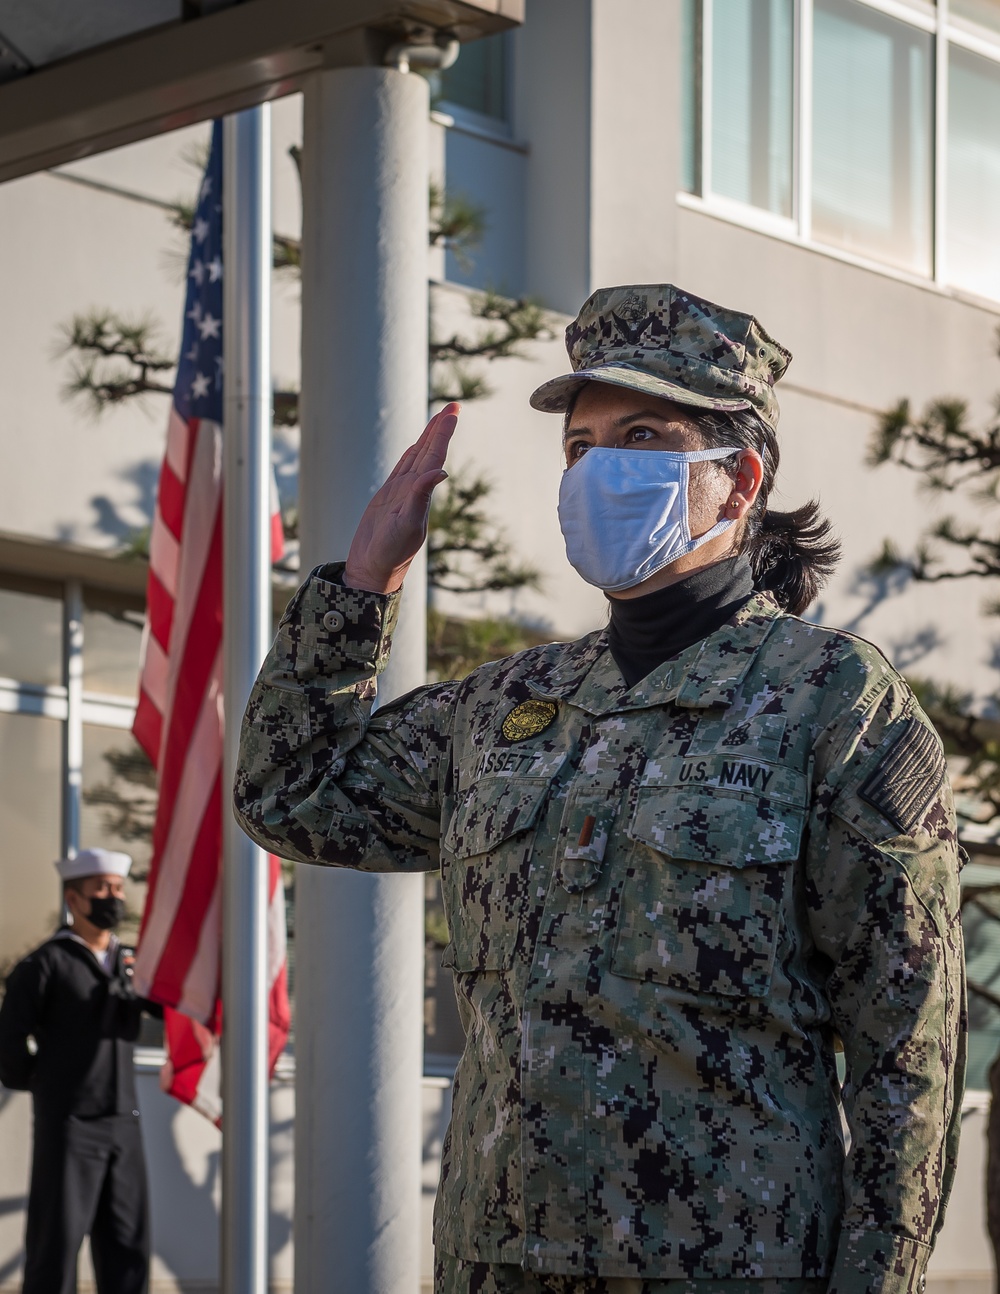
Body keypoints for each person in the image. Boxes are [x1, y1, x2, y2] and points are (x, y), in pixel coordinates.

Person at [234, 284, 966, 1294]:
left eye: (643, 436)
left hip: (727, 1267)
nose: (596, 468)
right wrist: (363, 589)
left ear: (740, 479)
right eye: (580, 445)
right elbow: (291, 794)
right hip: (498, 1265)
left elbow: (906, 1047)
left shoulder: (829, 698)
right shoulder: (504, 705)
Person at [0, 847, 156, 1294]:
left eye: (119, 888)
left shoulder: (133, 964)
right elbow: (9, 1042)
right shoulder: (46, 963)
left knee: (128, 1244)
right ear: (74, 899)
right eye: (103, 889)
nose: (114, 897)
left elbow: (169, 1007)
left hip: (125, 1123)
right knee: (57, 1244)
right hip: (70, 1125)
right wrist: (46, 1085)